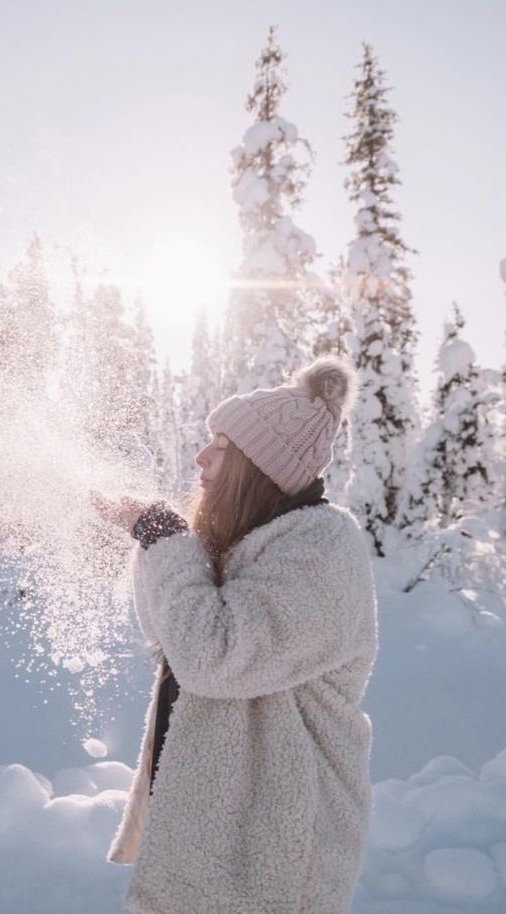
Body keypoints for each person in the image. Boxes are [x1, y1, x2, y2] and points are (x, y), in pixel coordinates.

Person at [91, 356, 378, 914]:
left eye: (222, 446)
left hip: (275, 852)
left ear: (258, 466)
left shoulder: (321, 550)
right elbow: (171, 634)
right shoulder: (252, 546)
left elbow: (214, 658)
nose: (201, 458)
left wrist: (168, 540)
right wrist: (160, 543)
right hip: (210, 840)